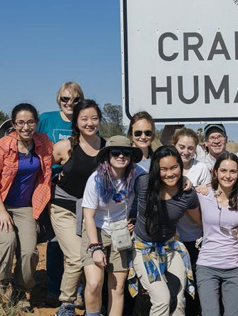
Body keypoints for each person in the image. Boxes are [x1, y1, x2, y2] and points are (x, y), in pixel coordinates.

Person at [0, 103, 53, 311]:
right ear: (14, 124)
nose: (26, 127)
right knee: (7, 242)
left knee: (29, 252)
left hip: (26, 207)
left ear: (36, 123)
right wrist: (1, 211)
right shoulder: (2, 146)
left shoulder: (43, 143)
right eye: (21, 122)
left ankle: (20, 292)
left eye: (30, 122)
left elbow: (53, 165)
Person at [128, 145, 201, 316]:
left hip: (170, 249)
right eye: (164, 169)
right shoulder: (144, 183)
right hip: (143, 250)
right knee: (162, 299)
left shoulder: (187, 194)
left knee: (178, 300)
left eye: (174, 167)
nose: (170, 173)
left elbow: (200, 220)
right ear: (156, 169)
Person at [51, 100, 106, 316]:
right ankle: (66, 304)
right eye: (84, 119)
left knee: (90, 257)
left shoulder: (106, 147)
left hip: (92, 212)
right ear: (76, 122)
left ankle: (90, 300)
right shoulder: (65, 147)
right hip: (64, 207)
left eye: (94, 118)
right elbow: (43, 172)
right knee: (75, 257)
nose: (89, 123)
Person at [81, 135, 142, 316]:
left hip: (121, 232)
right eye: (116, 152)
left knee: (118, 287)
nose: (121, 156)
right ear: (108, 155)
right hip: (96, 230)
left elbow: (160, 182)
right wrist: (95, 247)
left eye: (126, 152)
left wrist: (135, 221)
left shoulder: (138, 174)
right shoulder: (96, 179)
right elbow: (88, 216)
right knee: (93, 283)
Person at [37, 81, 85, 306]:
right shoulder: (46, 119)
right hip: (51, 186)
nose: (70, 104)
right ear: (59, 100)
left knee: (80, 238)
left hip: (78, 189)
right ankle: (54, 287)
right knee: (55, 240)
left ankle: (80, 289)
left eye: (75, 100)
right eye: (65, 99)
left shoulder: (83, 121)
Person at [196, 153, 238, 316]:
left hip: (234, 267)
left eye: (233, 171)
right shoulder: (203, 193)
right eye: (223, 171)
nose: (227, 176)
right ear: (215, 172)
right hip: (207, 265)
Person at [172, 127, 212, 316]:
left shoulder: (201, 168)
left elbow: (207, 202)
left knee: (194, 286)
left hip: (196, 235)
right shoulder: (168, 166)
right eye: (181, 147)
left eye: (190, 148)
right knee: (176, 286)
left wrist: (195, 190)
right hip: (173, 238)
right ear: (174, 146)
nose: (185, 152)